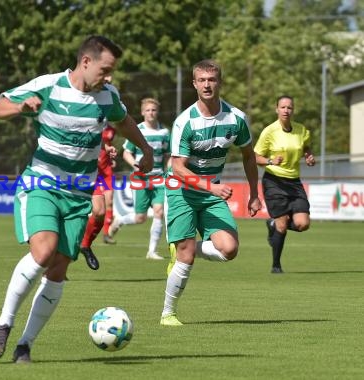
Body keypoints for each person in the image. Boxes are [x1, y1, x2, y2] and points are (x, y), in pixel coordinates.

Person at [0, 35, 154, 364]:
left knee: (58, 269)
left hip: (79, 195)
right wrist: (21, 107)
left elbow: (123, 121)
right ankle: (4, 323)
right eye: (105, 70)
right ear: (86, 62)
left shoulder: (108, 95)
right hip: (42, 184)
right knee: (44, 251)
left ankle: (25, 345)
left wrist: (145, 148)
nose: (108, 77)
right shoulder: (49, 86)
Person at [161, 59, 262, 326]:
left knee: (229, 249)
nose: (207, 84)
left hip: (210, 193)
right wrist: (211, 187)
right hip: (180, 189)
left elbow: (249, 157)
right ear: (194, 84)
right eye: (202, 80)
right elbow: (178, 168)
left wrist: (254, 193)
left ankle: (187, 245)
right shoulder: (185, 122)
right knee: (184, 257)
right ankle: (168, 313)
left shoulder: (236, 118)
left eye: (212, 79)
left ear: (220, 82)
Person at [254, 95, 316, 273]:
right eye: (282, 107)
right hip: (274, 181)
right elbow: (255, 157)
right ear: (277, 110)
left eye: (289, 107)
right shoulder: (269, 131)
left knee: (303, 224)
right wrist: (271, 161)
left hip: (294, 182)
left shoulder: (301, 130)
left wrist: (309, 156)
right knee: (282, 223)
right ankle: (276, 265)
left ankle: (272, 225)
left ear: (293, 110)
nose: (286, 110)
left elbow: (305, 147)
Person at [108, 98, 170, 260]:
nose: (151, 113)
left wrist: (169, 169)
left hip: (158, 178)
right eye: (148, 110)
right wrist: (135, 164)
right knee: (140, 218)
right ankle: (120, 220)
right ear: (143, 112)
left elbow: (168, 155)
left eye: (154, 110)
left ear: (158, 112)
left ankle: (152, 251)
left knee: (159, 212)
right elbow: (127, 152)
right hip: (141, 178)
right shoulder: (137, 130)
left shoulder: (164, 133)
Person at [79, 124, 118, 270]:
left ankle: (85, 245)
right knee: (68, 217)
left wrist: (107, 148)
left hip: (96, 172)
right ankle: (55, 265)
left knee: (101, 210)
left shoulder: (105, 119)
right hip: (70, 171)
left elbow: (95, 137)